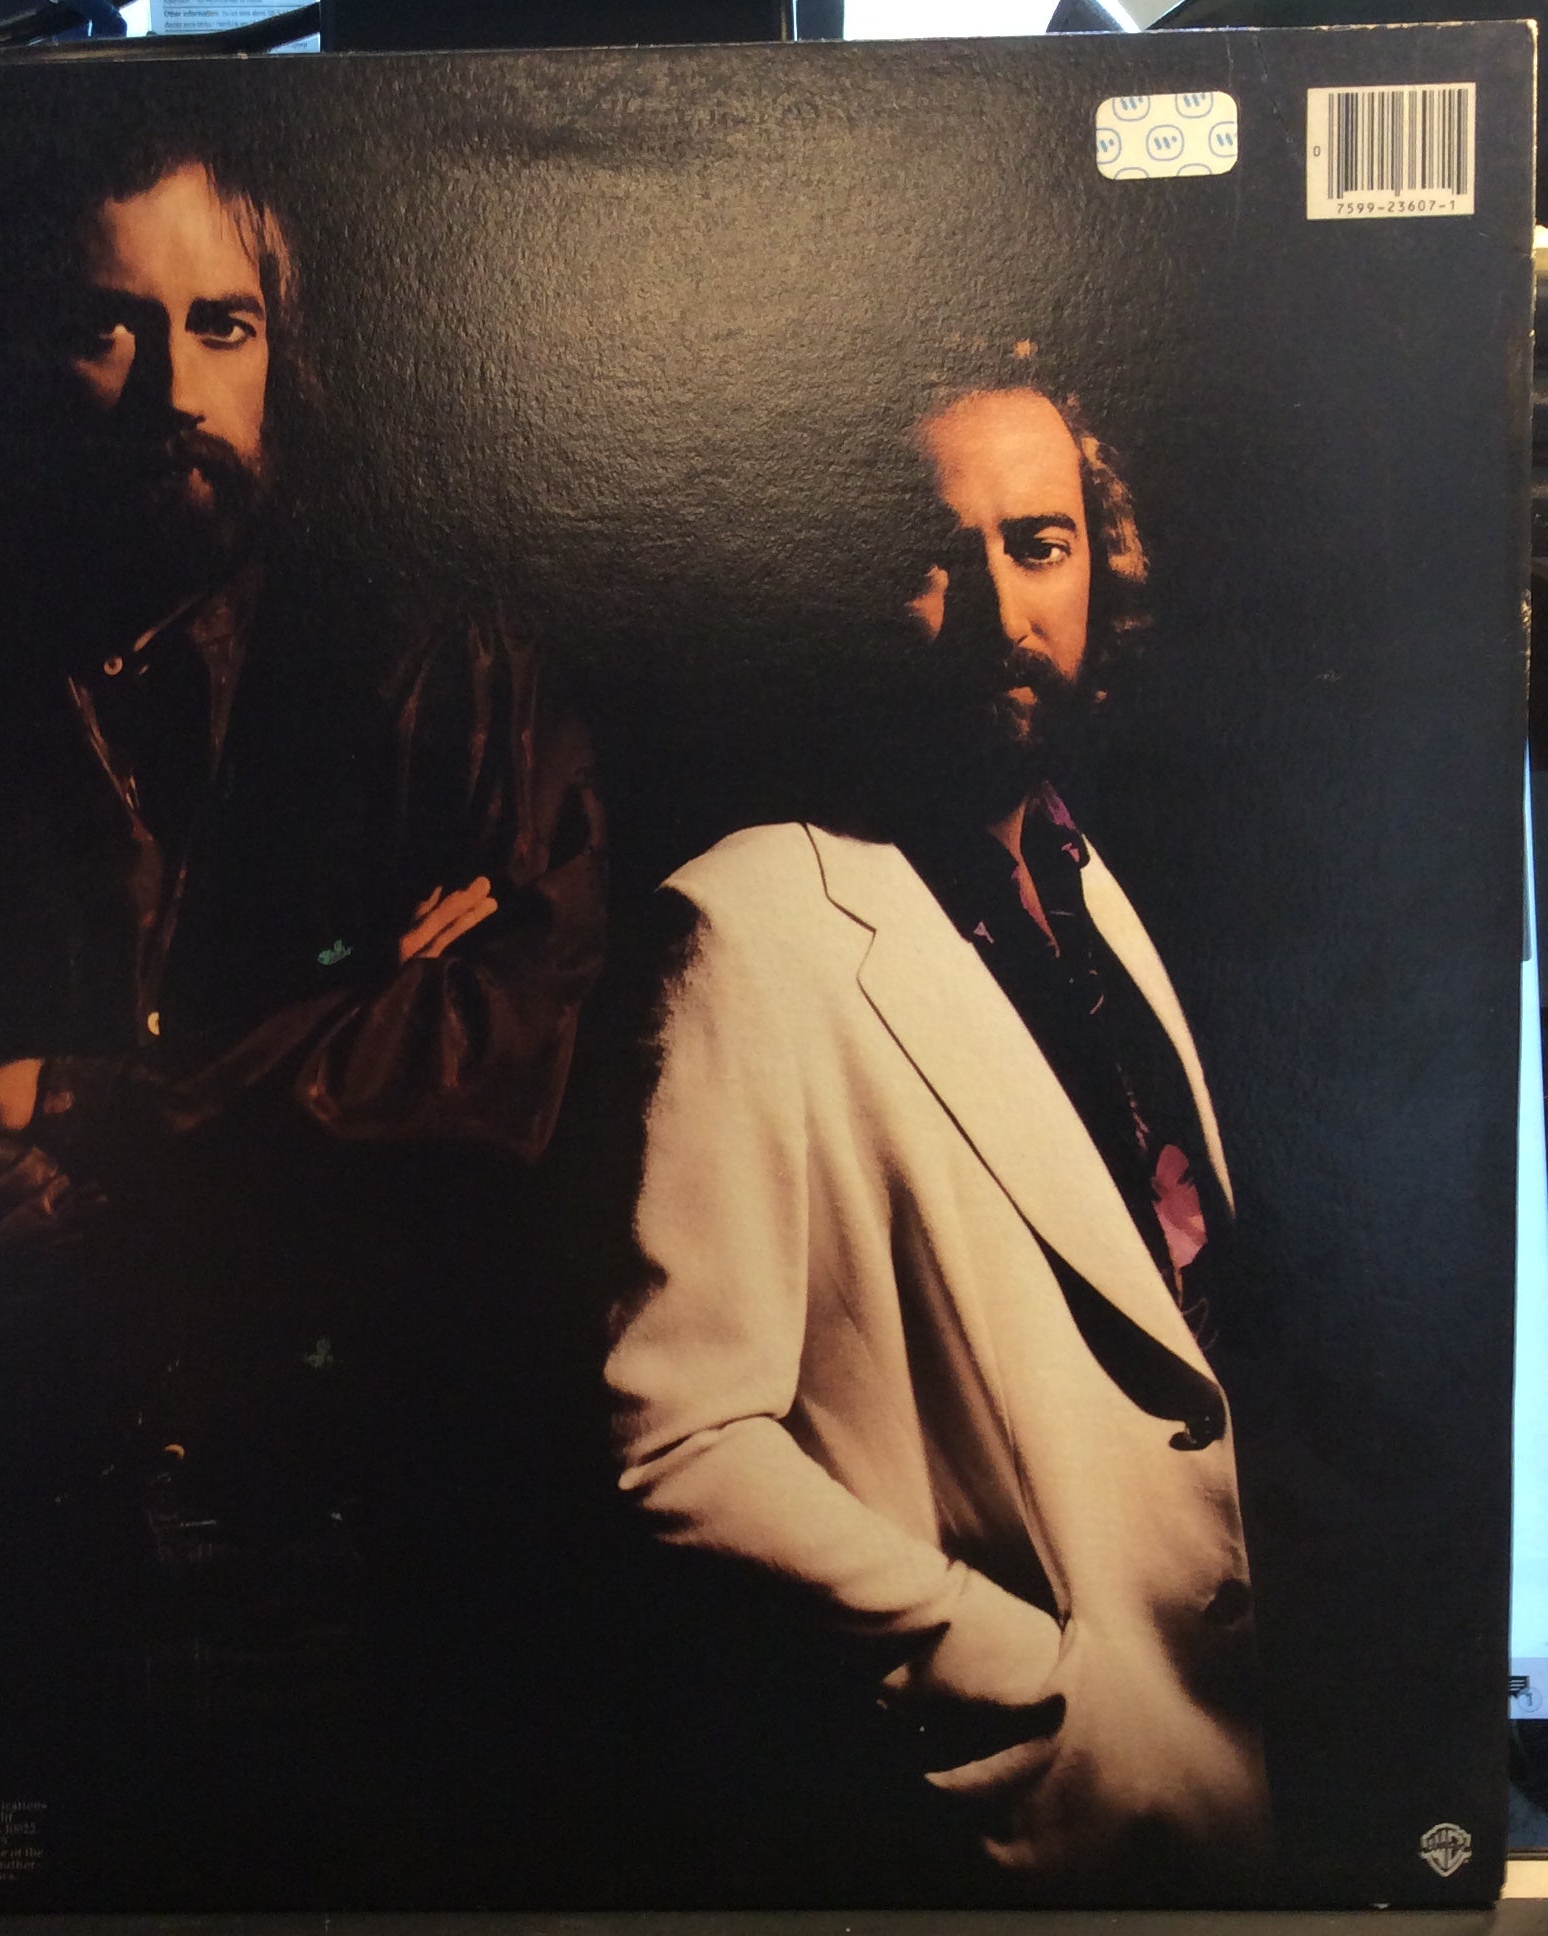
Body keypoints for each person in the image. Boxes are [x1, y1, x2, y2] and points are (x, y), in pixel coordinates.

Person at [604, 351, 1269, 1894]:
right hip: (1045, 1822)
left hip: (1235, 1777)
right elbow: (678, 1445)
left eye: (1040, 545)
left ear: (1100, 572)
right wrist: (1040, 1691)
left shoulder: (1085, 877)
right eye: (934, 554)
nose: (997, 609)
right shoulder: (746, 920)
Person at [0, 146, 606, 1248]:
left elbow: (501, 1052)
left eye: (223, 327)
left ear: (281, 353)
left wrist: (62, 1100)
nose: (175, 391)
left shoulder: (449, 671)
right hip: (40, 1352)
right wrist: (338, 1033)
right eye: (107, 329)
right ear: (24, 358)